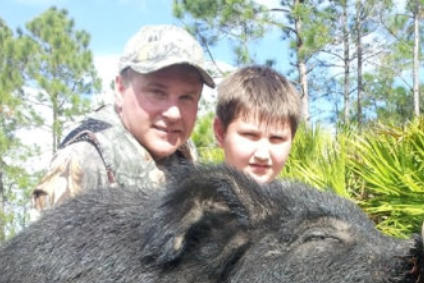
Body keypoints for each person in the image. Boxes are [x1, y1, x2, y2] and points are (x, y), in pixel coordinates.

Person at [31, 24, 215, 218]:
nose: (173, 113)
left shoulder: (184, 152)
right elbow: (39, 247)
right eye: (157, 92)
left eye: (186, 97)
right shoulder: (85, 159)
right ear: (120, 89)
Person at [213, 65, 302, 184]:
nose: (262, 155)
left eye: (277, 138)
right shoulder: (193, 199)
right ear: (220, 133)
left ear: (292, 140)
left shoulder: (297, 201)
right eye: (250, 135)